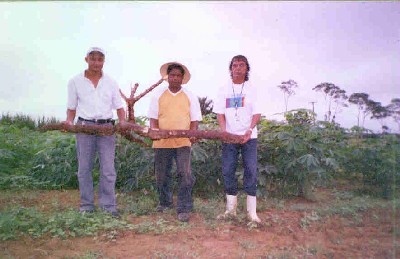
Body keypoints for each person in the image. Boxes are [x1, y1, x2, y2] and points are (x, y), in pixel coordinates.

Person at [63, 47, 126, 217]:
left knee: (108, 169)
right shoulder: (75, 81)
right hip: (84, 127)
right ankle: (86, 206)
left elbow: (120, 108)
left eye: (100, 59)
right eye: (93, 59)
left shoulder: (111, 82)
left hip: (106, 128)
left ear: (103, 61)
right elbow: (71, 108)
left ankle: (109, 207)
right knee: (84, 168)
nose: (96, 63)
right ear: (86, 59)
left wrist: (122, 122)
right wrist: (69, 122)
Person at [148, 62, 202, 222]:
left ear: (182, 78)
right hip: (162, 142)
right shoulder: (158, 95)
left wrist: (192, 133)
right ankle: (165, 202)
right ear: (167, 77)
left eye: (178, 75)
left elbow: (194, 119)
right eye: (172, 75)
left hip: (183, 141)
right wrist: (156, 132)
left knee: (184, 174)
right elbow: (153, 118)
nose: (175, 78)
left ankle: (184, 207)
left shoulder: (189, 95)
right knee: (162, 174)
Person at [214, 55, 262, 223]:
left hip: (249, 137)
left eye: (242, 65)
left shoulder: (252, 89)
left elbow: (257, 113)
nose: (238, 68)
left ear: (247, 69)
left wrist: (249, 130)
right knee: (228, 171)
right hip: (229, 137)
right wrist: (224, 131)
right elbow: (220, 113)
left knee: (251, 170)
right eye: (235, 65)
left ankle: (252, 213)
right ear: (231, 68)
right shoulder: (223, 89)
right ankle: (230, 210)